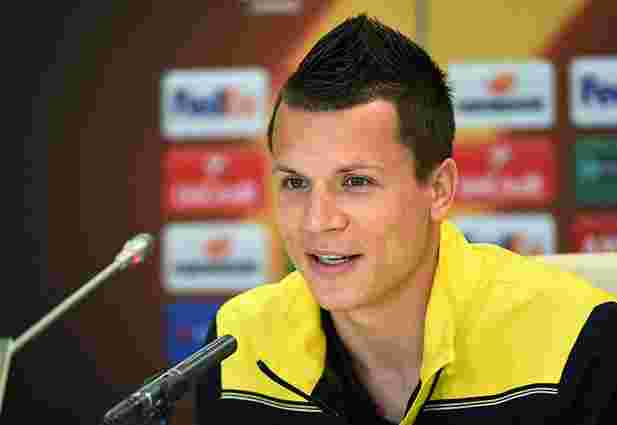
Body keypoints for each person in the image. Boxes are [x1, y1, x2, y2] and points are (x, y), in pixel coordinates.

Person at [194, 14, 617, 425]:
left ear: (439, 189)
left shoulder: (579, 342)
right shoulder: (236, 345)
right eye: (295, 183)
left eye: (355, 182)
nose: (317, 221)